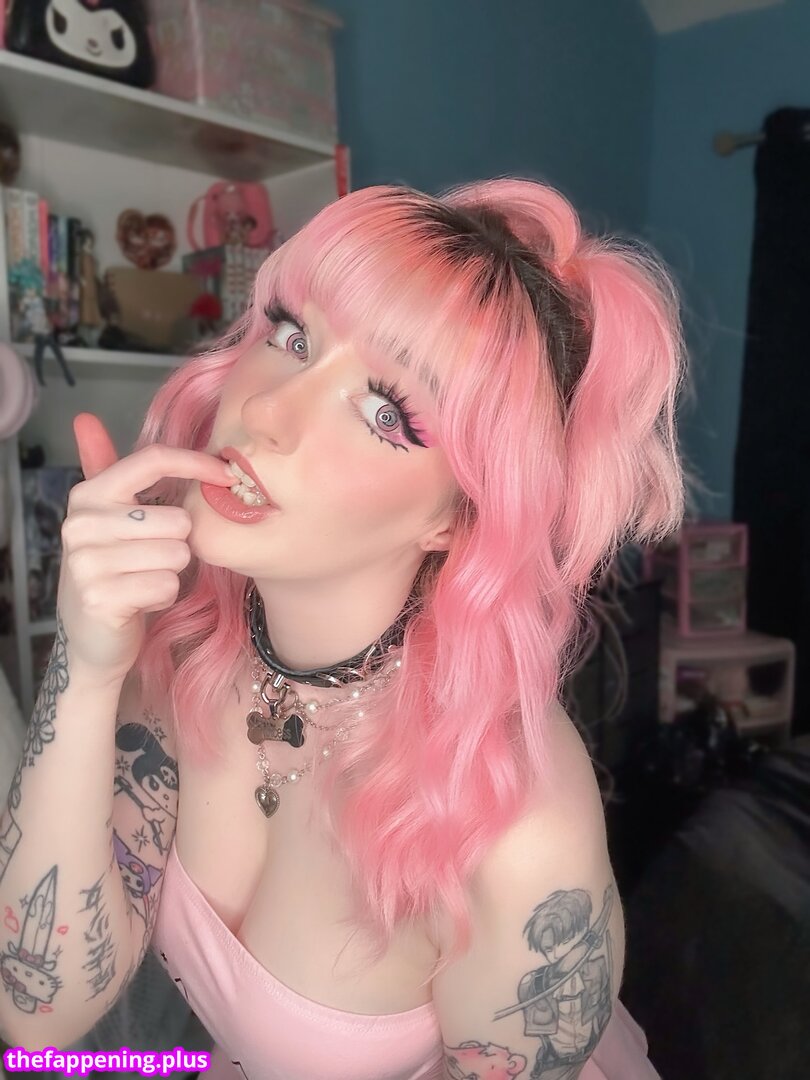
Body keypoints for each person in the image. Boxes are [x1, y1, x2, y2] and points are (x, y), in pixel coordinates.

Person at [0, 178, 684, 1079]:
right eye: (293, 337)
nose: (266, 411)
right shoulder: (185, 644)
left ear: (457, 518)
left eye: (384, 412)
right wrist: (87, 663)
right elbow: (37, 1015)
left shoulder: (520, 829)